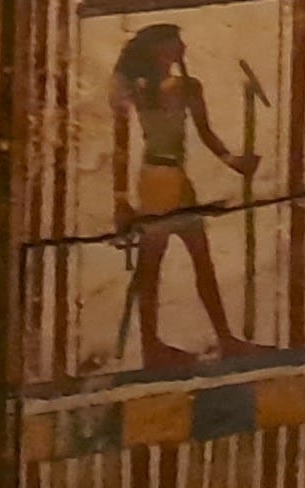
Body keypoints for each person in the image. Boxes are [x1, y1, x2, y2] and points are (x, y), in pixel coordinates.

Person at [108, 23, 250, 367]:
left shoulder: (189, 87)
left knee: (201, 261)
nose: (182, 47)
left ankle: (225, 338)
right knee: (151, 267)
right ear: (159, 49)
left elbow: (205, 132)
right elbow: (121, 146)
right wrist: (120, 199)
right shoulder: (139, 90)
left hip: (178, 180)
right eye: (176, 41)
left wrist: (233, 161)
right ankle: (152, 346)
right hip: (156, 182)